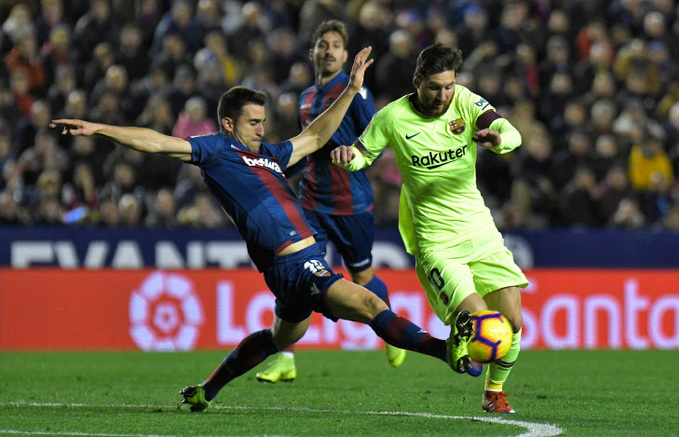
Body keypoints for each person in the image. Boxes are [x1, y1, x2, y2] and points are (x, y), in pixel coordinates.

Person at [50, 47, 471, 413]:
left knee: (280, 336)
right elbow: (157, 141)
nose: (262, 128)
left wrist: (350, 88)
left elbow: (317, 135)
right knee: (368, 304)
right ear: (230, 124)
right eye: (253, 122)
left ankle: (206, 391)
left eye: (263, 121)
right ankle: (444, 349)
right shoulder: (215, 151)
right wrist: (99, 128)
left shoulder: (270, 155)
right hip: (295, 265)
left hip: (299, 266)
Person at [331, 42, 529, 414]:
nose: (443, 95)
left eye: (449, 86)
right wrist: (347, 157)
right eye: (435, 87)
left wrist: (499, 140)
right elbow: (362, 153)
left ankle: (494, 390)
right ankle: (461, 331)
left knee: (514, 321)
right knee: (480, 321)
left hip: (479, 229)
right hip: (436, 239)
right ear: (417, 81)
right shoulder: (392, 117)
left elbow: (506, 128)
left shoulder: (466, 102)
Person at [255, 20, 405, 384]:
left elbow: (377, 135)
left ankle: (392, 325)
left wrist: (354, 150)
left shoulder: (355, 92)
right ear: (313, 52)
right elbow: (307, 147)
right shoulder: (306, 97)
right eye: (323, 44)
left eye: (337, 45)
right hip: (310, 202)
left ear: (344, 53)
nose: (329, 50)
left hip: (351, 203)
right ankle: (285, 357)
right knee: (297, 274)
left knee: (363, 277)